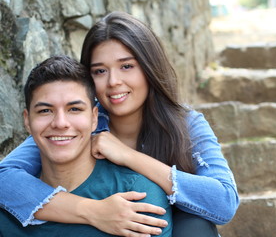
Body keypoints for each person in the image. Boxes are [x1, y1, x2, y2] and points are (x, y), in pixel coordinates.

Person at [0, 12, 240, 237]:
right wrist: (93, 211)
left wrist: (128, 156)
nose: (114, 82)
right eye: (100, 71)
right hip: (108, 219)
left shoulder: (186, 124)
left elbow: (224, 201)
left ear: (149, 68)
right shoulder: (81, 122)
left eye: (126, 66)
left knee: (195, 225)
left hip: (174, 224)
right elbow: (5, 177)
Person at [0, 55, 172, 237]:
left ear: (94, 118)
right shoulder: (8, 202)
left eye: (74, 109)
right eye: (45, 111)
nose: (60, 123)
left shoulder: (136, 196)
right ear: (27, 121)